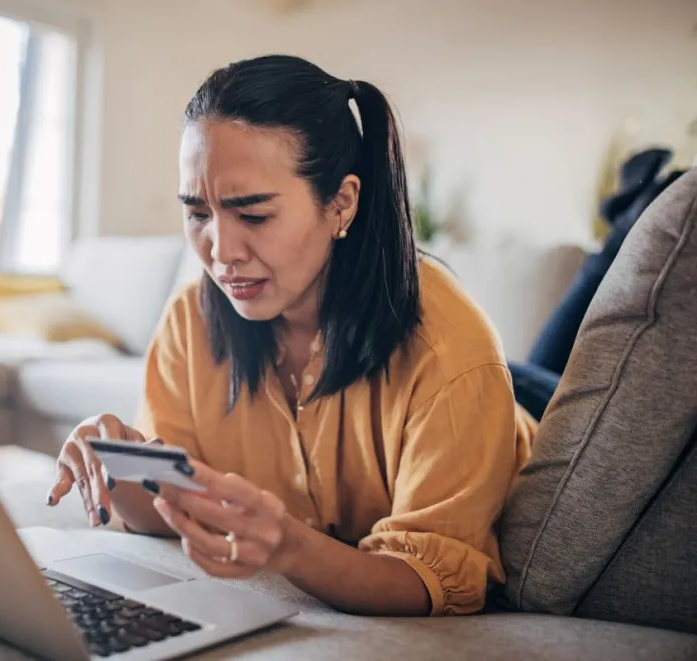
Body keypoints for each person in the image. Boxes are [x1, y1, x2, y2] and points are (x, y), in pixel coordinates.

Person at [47, 54, 535, 617]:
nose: (220, 252)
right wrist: (120, 465)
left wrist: (286, 545)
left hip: (512, 403)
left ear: (342, 203)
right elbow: (168, 511)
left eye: (252, 214)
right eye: (197, 213)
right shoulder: (190, 320)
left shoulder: (450, 350)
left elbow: (431, 581)